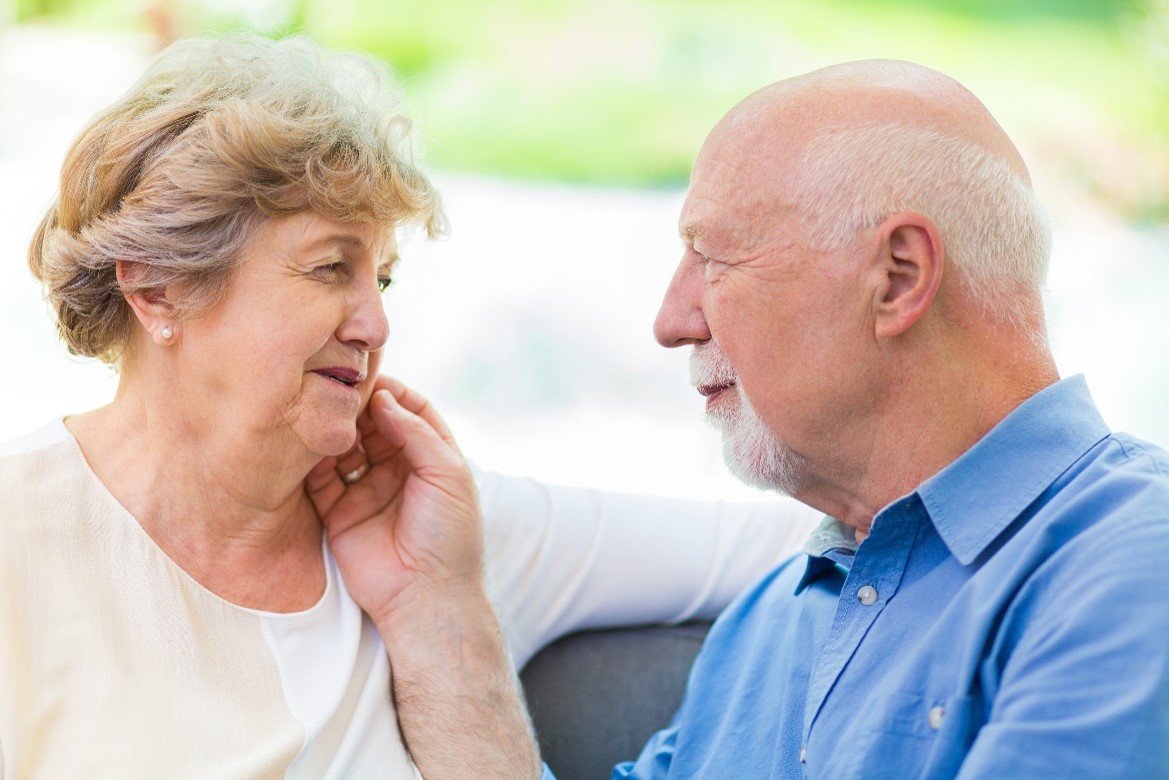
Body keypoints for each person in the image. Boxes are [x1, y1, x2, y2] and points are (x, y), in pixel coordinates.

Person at [0, 33, 822, 778]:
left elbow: (819, 539)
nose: (375, 323)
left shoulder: (439, 531)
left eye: (382, 277)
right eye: (330, 269)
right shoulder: (20, 536)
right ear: (158, 289)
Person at [385, 60, 1169, 778]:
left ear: (897, 277)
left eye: (713, 258)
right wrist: (433, 600)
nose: (671, 319)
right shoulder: (769, 618)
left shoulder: (1132, 565)